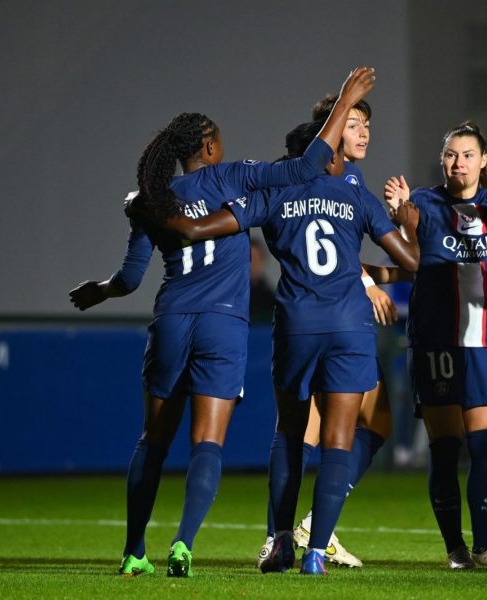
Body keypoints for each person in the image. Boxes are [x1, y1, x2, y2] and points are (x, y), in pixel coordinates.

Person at [68, 67, 376, 578]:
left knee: (153, 439)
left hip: (171, 319)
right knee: (206, 443)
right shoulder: (232, 176)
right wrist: (345, 99)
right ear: (208, 146)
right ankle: (184, 545)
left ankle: (133, 552)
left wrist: (99, 290)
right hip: (224, 326)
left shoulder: (153, 200)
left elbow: (127, 279)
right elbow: (311, 164)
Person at [132, 118, 420, 576]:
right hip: (349, 326)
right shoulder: (355, 195)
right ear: (326, 156)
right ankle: (316, 555)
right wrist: (409, 226)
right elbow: (411, 263)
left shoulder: (273, 197)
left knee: (289, 433)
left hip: (297, 326)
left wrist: (151, 209)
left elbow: (200, 229)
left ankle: (279, 538)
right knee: (338, 441)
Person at [376, 123, 487, 569]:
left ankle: (486, 547)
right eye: (450, 154)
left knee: (485, 448)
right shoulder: (426, 201)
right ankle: (455, 550)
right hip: (436, 342)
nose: (458, 162)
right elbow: (410, 231)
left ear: (484, 161)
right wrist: (400, 211)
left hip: (483, 340)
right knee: (445, 450)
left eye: (467, 154)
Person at [255, 92, 391, 569]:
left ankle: (294, 533)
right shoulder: (340, 176)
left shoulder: (340, 175)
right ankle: (305, 531)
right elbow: (339, 249)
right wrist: (369, 279)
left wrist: (374, 275)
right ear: (327, 134)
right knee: (319, 430)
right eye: (352, 124)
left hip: (312, 321)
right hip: (340, 319)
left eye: (365, 124)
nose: (362, 132)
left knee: (342, 425)